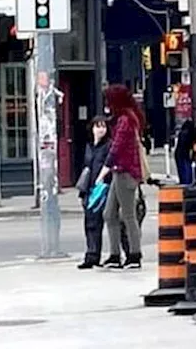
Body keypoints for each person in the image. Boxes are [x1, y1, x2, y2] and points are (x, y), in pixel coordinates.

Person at [97, 84, 148, 269]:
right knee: (109, 214)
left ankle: (134, 255)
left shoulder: (126, 120)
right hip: (120, 171)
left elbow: (117, 147)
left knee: (128, 215)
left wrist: (105, 168)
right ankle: (115, 255)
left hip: (126, 172)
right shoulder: (124, 118)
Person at [78, 116, 132, 269]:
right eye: (97, 126)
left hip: (107, 187)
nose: (100, 129)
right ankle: (92, 255)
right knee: (91, 223)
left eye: (103, 126)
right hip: (91, 189)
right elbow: (86, 167)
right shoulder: (89, 146)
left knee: (114, 222)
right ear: (92, 128)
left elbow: (112, 164)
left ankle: (126, 254)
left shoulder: (109, 146)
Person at [173, 116, 196, 185]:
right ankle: (188, 181)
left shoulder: (182, 133)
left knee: (182, 167)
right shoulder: (191, 133)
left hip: (180, 152)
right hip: (186, 152)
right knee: (187, 166)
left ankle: (184, 181)